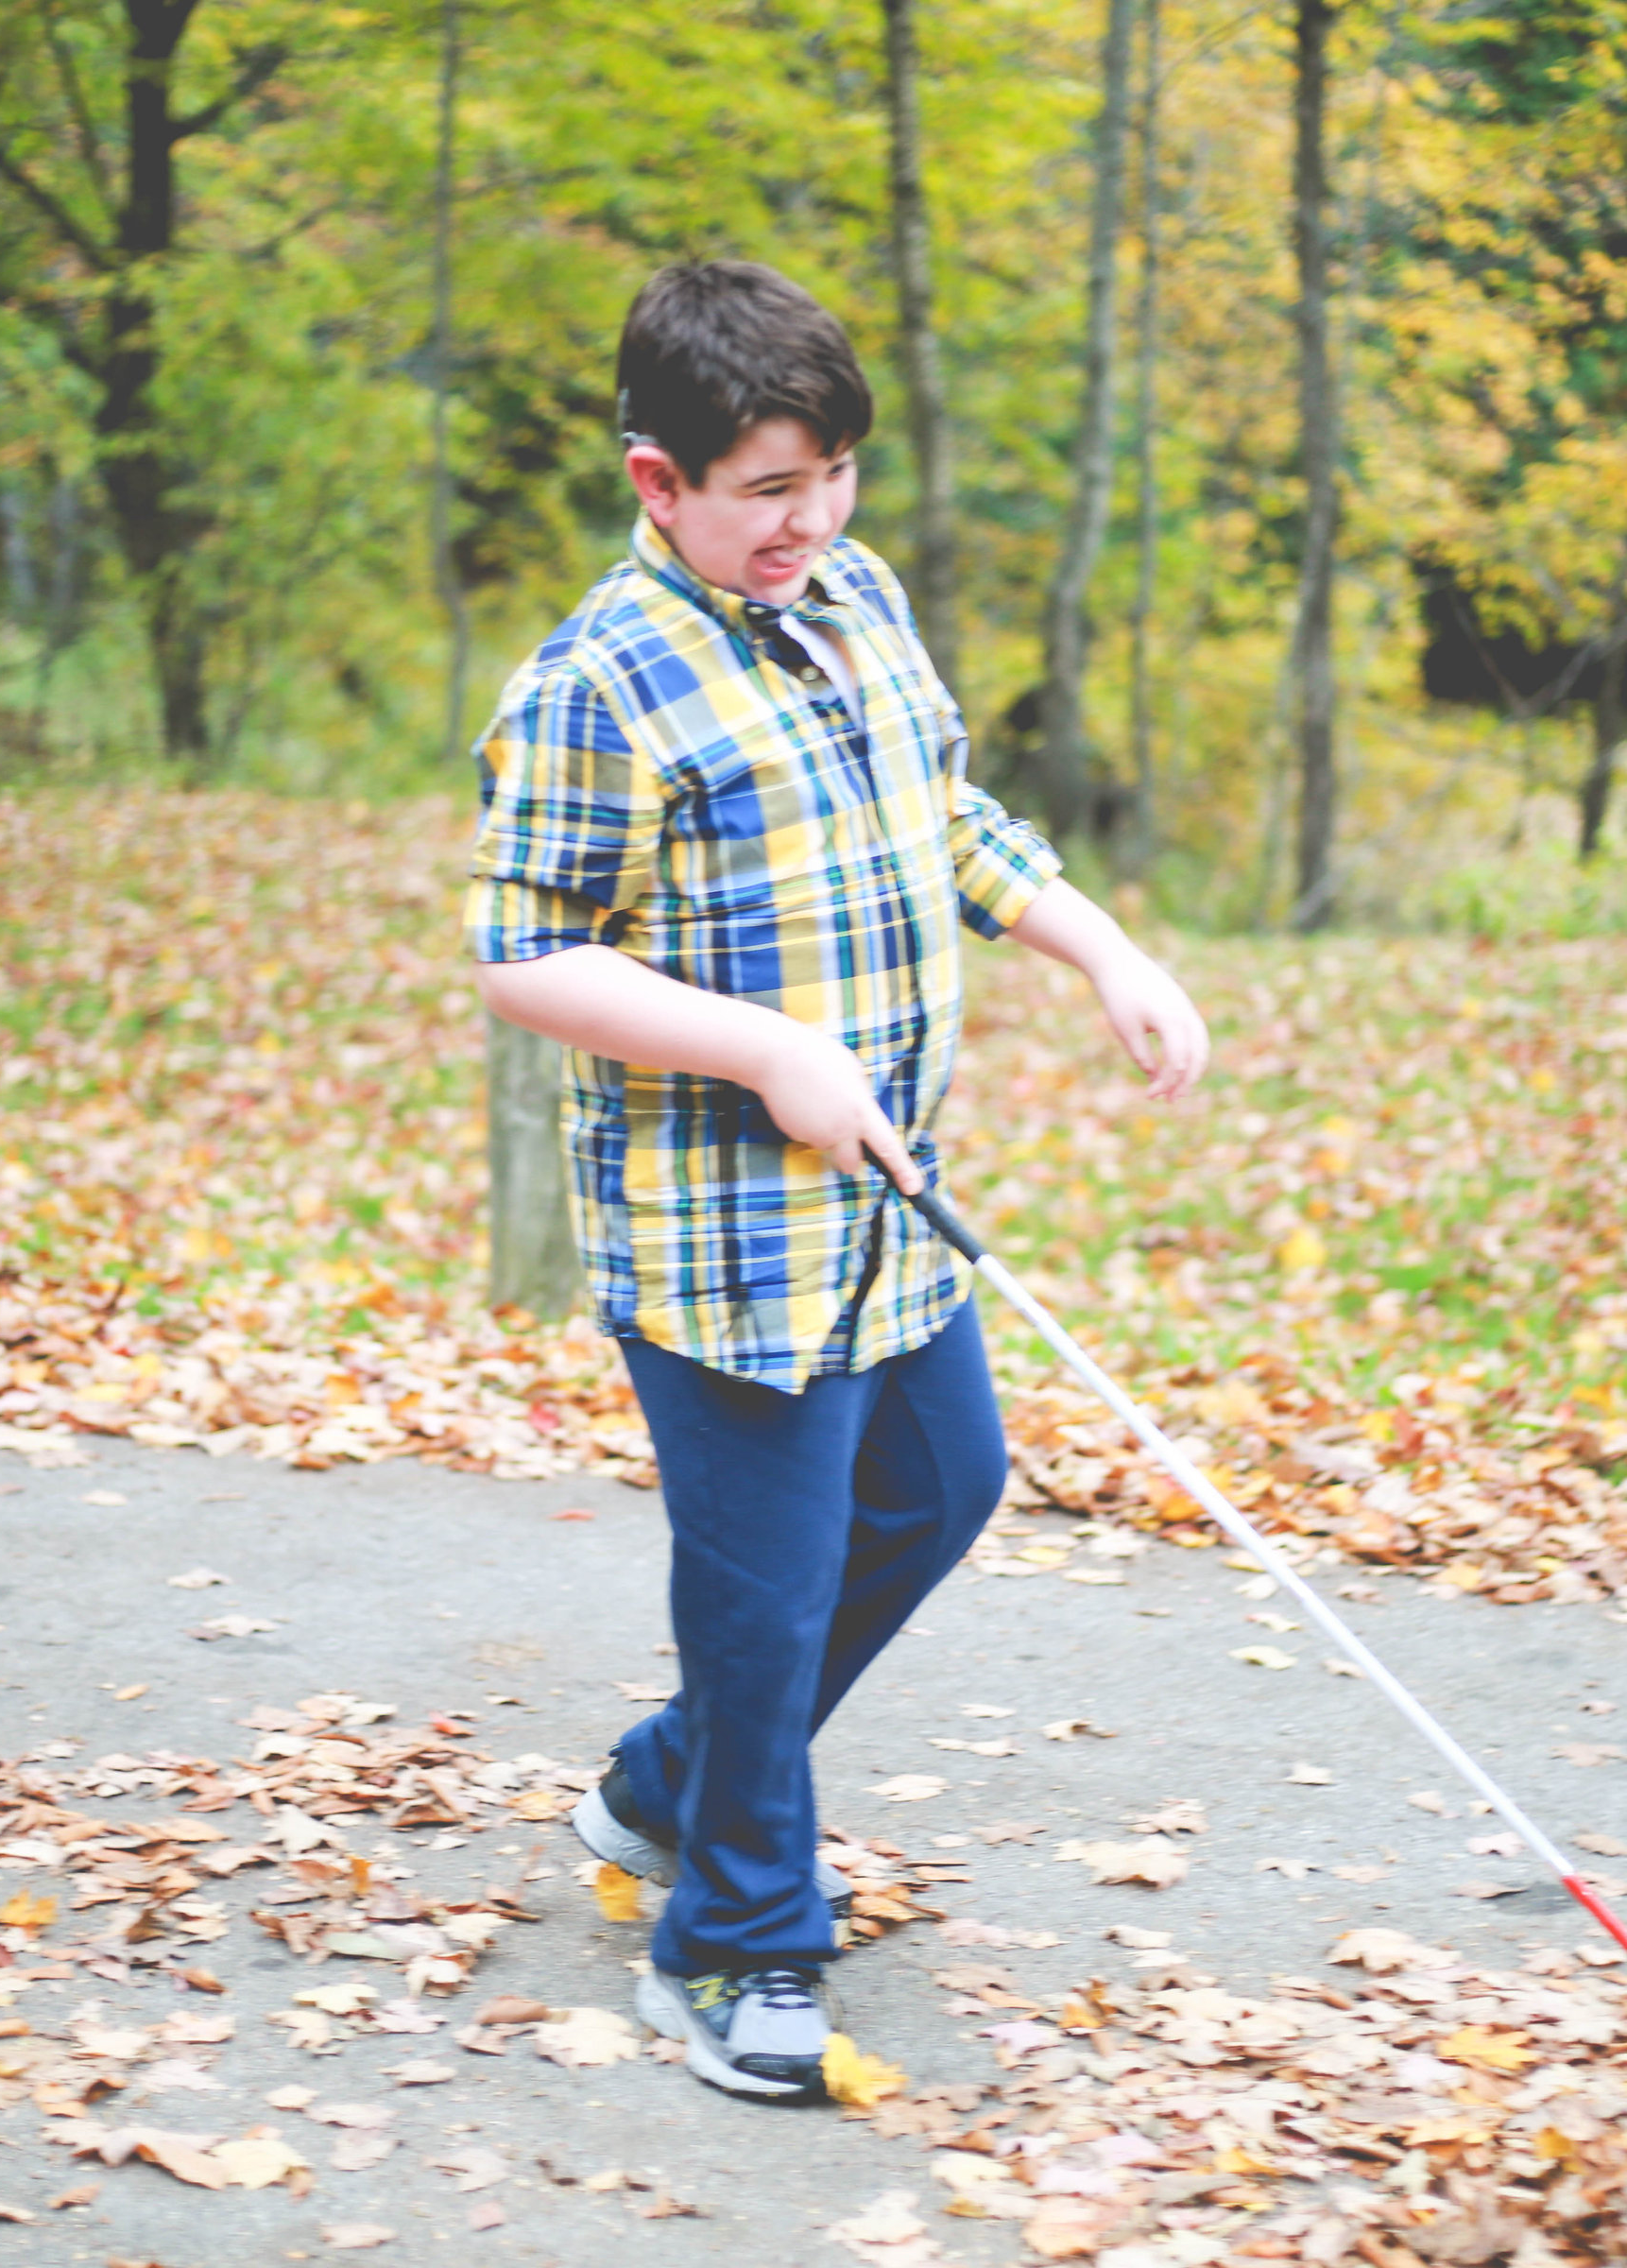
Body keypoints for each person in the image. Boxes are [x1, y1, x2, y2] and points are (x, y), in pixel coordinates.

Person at [464, 259, 1209, 2104]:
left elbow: (947, 815)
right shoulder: (597, 684)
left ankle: (668, 1784)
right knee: (767, 1595)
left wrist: (1104, 948)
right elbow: (521, 954)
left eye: (835, 478)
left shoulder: (854, 595)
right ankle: (730, 1942)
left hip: (889, 1207)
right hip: (728, 1244)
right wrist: (767, 1051)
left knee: (944, 1487)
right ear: (660, 484)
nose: (813, 521)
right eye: (769, 490)